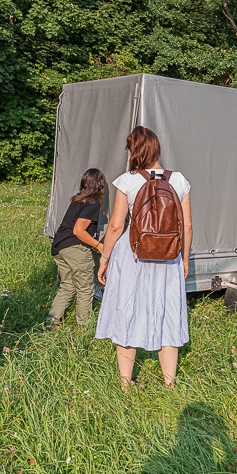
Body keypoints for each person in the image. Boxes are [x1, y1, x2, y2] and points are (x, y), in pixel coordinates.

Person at [96, 127, 193, 391]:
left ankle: (126, 384)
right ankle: (169, 385)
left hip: (134, 255)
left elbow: (116, 226)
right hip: (169, 256)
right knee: (168, 314)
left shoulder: (127, 181)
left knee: (128, 311)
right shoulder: (179, 180)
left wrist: (104, 258)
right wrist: (184, 260)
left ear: (135, 151)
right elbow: (187, 227)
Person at [46, 168, 106, 328]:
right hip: (75, 248)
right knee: (85, 288)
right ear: (100, 185)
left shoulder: (77, 200)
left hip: (59, 246)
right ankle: (84, 328)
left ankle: (52, 321)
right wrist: (99, 246)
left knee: (68, 285)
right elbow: (78, 230)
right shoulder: (93, 203)